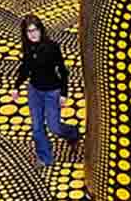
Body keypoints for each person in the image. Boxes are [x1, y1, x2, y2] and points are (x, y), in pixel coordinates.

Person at [9, 15, 79, 167]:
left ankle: (72, 132)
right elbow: (25, 68)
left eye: (35, 30)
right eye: (29, 31)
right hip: (34, 91)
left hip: (52, 91)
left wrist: (64, 93)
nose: (33, 34)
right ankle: (45, 158)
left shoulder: (52, 47)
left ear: (41, 30)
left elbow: (62, 71)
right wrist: (16, 86)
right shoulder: (28, 47)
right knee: (37, 127)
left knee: (54, 127)